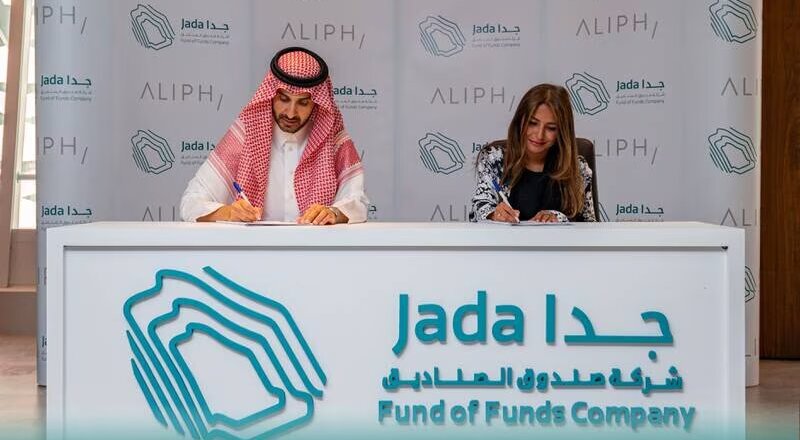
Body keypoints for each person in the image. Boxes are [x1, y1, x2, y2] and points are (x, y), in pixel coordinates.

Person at [180, 46, 369, 225]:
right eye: (284, 99)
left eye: (303, 103)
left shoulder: (332, 138)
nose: (291, 113)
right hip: (255, 247)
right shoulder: (247, 134)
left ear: (317, 104)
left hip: (315, 247)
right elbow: (190, 203)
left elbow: (357, 202)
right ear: (271, 95)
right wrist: (228, 213)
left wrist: (334, 213)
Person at [470, 84, 596, 223]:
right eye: (532, 123)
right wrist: (494, 215)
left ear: (562, 131)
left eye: (551, 128)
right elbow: (479, 210)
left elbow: (590, 225)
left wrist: (559, 219)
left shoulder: (578, 168)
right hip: (505, 238)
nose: (539, 135)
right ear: (520, 121)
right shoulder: (494, 158)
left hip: (558, 238)